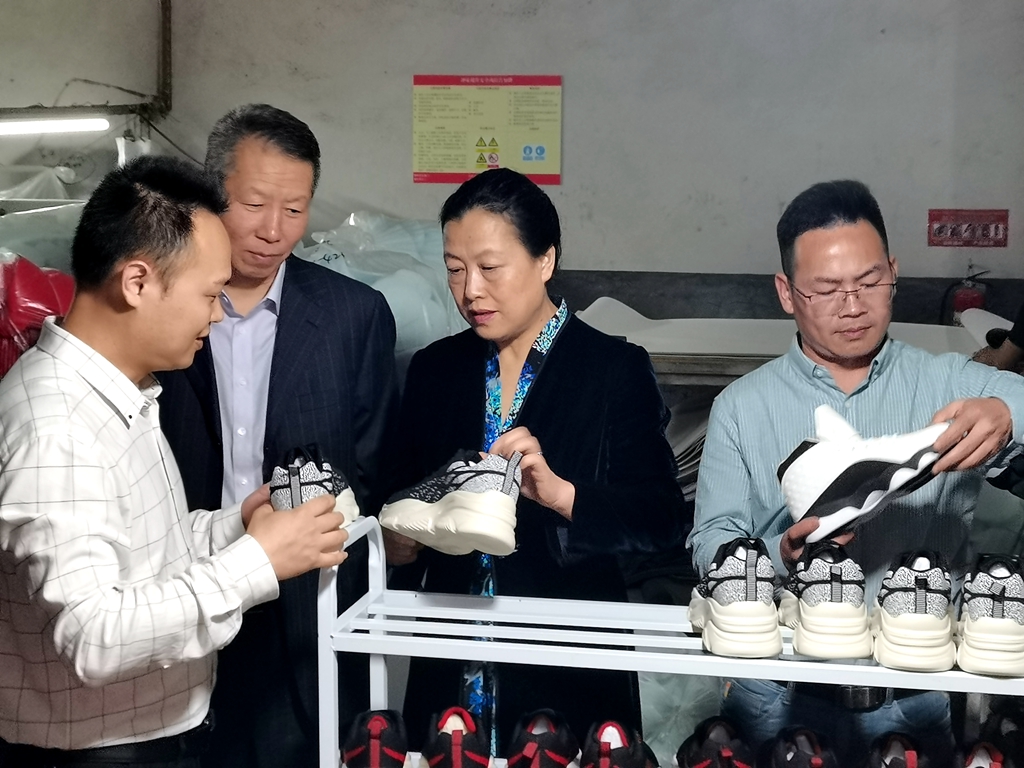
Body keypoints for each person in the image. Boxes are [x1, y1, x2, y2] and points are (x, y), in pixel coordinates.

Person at [0, 156, 349, 768]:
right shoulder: (58, 428)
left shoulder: (120, 395)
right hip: (103, 755)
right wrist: (257, 561)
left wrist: (237, 526)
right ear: (137, 282)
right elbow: (94, 635)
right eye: (210, 294)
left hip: (152, 738)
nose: (216, 315)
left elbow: (139, 556)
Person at [688, 179, 1024, 764]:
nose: (852, 305)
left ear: (894, 273)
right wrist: (781, 554)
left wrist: (1007, 411)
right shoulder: (741, 406)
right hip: (779, 689)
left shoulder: (949, 382)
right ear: (787, 293)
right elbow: (710, 541)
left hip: (915, 691)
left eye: (869, 282)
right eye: (826, 289)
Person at [385, 168, 687, 752]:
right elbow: (397, 495)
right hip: (451, 651)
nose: (471, 290)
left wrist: (562, 495)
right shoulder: (434, 370)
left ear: (545, 260)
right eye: (454, 269)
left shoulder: (611, 369)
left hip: (568, 660)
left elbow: (662, 519)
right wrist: (399, 539)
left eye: (490, 268)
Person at [157, 104, 398, 768]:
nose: (273, 230)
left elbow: (372, 468)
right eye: (254, 204)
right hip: (180, 594)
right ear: (213, 194)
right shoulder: (159, 306)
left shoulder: (354, 316)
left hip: (305, 609)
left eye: (294, 209)